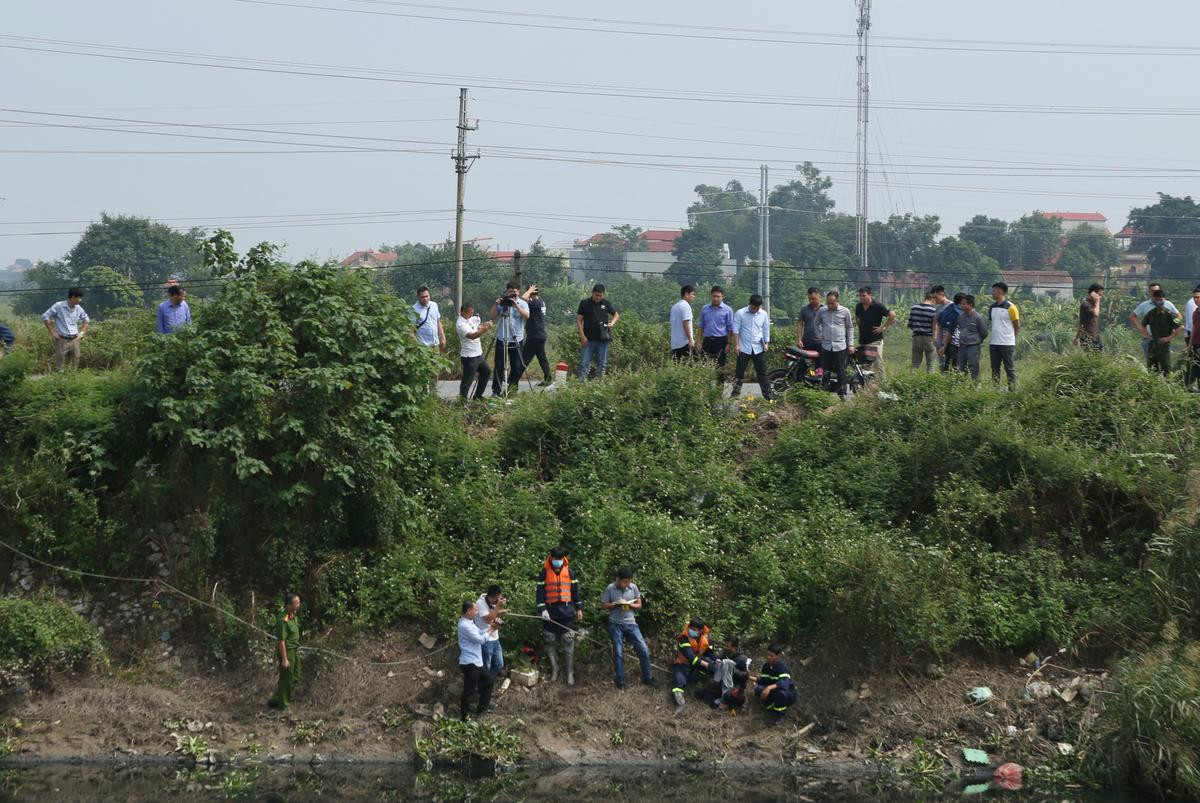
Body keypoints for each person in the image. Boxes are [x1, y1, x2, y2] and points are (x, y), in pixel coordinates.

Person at [601, 566, 655, 690]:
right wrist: (615, 604)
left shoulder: (633, 587)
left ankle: (648, 677)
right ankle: (620, 681)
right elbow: (604, 605)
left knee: (643, 649)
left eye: (629, 581)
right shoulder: (610, 588)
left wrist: (630, 605)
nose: (627, 584)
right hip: (615, 624)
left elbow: (639, 604)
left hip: (631, 623)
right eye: (625, 581)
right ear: (619, 579)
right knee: (618, 653)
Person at [536, 546, 583, 685]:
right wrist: (542, 609)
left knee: (568, 642)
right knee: (550, 642)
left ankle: (569, 672)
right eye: (556, 558)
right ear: (551, 557)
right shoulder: (544, 573)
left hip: (566, 614)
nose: (558, 561)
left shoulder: (570, 572)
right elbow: (539, 593)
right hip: (549, 614)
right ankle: (555, 670)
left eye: (560, 559)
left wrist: (579, 608)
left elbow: (575, 592)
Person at [458, 599, 498, 720]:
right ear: (469, 611)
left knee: (489, 681)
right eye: (475, 610)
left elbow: (480, 632)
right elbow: (480, 639)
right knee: (469, 690)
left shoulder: (470, 623)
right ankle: (464, 717)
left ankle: (482, 709)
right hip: (470, 663)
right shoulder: (464, 625)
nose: (477, 612)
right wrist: (491, 630)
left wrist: (491, 627)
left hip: (476, 662)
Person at [489, 282, 531, 396]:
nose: (512, 293)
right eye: (510, 291)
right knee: (499, 366)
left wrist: (516, 305)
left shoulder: (522, 303)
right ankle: (496, 391)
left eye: (515, 291)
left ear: (518, 291)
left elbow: (527, 316)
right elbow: (492, 316)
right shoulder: (503, 302)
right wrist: (496, 304)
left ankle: (511, 389)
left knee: (517, 366)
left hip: (517, 338)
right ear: (506, 292)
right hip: (502, 337)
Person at [730, 294, 772, 399]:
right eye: (754, 307)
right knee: (739, 372)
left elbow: (766, 329)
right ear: (749, 304)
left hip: (759, 348)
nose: (755, 310)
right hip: (743, 348)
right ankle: (735, 394)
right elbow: (736, 330)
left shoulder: (763, 314)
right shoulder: (740, 313)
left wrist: (766, 343)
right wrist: (736, 345)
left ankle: (768, 396)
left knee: (762, 373)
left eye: (757, 308)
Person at [815, 291, 855, 398]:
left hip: (840, 346)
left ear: (837, 301)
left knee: (840, 370)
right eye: (828, 303)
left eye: (832, 303)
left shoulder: (845, 311)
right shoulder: (822, 311)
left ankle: (842, 394)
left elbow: (850, 328)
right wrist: (819, 334)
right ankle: (823, 394)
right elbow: (816, 323)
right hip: (826, 345)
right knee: (825, 371)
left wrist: (850, 344)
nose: (830, 305)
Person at [576, 284, 619, 380]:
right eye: (596, 295)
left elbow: (616, 315)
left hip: (602, 340)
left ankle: (598, 386)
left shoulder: (606, 303)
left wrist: (612, 323)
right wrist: (582, 336)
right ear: (592, 293)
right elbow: (579, 320)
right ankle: (580, 386)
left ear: (603, 295)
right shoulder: (585, 303)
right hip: (588, 340)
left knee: (602, 365)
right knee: (584, 364)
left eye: (600, 296)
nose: (598, 298)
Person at [42, 287, 90, 371]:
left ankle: (72, 379)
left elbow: (86, 321)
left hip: (75, 339)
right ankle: (59, 380)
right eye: (79, 298)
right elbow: (45, 317)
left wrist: (81, 333)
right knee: (60, 364)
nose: (80, 300)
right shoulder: (59, 306)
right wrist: (53, 333)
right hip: (62, 339)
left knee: (75, 360)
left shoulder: (79, 308)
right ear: (72, 297)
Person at [941, 294, 988, 379]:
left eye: (964, 304)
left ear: (970, 305)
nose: (961, 306)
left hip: (973, 346)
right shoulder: (960, 317)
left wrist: (977, 341)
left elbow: (984, 333)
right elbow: (957, 329)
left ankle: (974, 385)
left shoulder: (978, 317)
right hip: (962, 347)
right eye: (961, 304)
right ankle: (962, 385)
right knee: (961, 368)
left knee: (973, 367)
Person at [267, 593, 302, 710]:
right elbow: (281, 641)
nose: (299, 605)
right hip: (288, 652)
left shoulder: (293, 615)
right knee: (286, 678)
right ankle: (283, 705)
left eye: (299, 602)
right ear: (289, 605)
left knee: (295, 676)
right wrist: (285, 659)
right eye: (296, 603)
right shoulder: (283, 620)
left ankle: (276, 698)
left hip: (295, 649)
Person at [671, 617, 714, 709]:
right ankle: (679, 701)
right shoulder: (684, 638)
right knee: (679, 678)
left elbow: (710, 655)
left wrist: (712, 665)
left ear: (701, 631)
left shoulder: (707, 640)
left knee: (710, 664)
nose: (691, 631)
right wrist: (707, 665)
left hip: (697, 666)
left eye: (694, 630)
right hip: (683, 664)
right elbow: (691, 658)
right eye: (691, 629)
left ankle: (702, 683)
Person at [854, 286, 895, 380]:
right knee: (865, 365)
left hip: (875, 340)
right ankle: (867, 386)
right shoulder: (859, 306)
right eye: (860, 296)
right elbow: (857, 316)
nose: (861, 298)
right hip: (863, 340)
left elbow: (892, 315)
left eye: (864, 296)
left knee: (878, 363)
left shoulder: (877, 306)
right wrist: (859, 324)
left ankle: (883, 385)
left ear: (870, 295)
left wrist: (883, 327)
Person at [1141, 289, 1184, 375]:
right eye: (1157, 299)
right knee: (1152, 370)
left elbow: (1181, 327)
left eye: (1161, 299)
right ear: (1153, 300)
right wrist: (1147, 335)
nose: (1159, 302)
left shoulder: (1169, 314)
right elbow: (1143, 324)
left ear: (1165, 299)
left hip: (1164, 346)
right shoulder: (1151, 313)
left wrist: (1169, 338)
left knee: (1166, 370)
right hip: (1152, 344)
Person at [697, 285, 734, 384]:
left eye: (718, 296)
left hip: (721, 341)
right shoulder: (705, 309)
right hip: (708, 340)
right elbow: (701, 326)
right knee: (705, 366)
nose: (716, 298)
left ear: (722, 297)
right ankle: (705, 390)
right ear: (711, 296)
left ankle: (718, 391)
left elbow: (730, 328)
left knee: (720, 368)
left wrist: (728, 343)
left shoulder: (728, 310)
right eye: (714, 296)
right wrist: (699, 342)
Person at [1130, 282, 1178, 358]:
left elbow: (1178, 316)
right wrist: (1141, 330)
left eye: (1156, 290)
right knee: (1151, 365)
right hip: (1149, 339)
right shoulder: (1144, 305)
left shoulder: (1167, 304)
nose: (1154, 292)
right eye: (1152, 291)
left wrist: (1173, 329)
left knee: (1164, 364)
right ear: (1149, 292)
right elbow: (1133, 316)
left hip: (1163, 339)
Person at [456, 304, 493, 400]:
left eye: (472, 312)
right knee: (468, 380)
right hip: (469, 356)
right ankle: (462, 400)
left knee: (486, 371)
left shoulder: (470, 319)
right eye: (470, 312)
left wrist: (483, 326)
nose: (472, 314)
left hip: (477, 354)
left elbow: (477, 327)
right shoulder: (461, 324)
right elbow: (473, 336)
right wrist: (485, 329)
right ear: (463, 312)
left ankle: (478, 396)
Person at [754, 643, 797, 725]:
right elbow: (764, 681)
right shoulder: (766, 666)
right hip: (774, 691)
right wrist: (749, 677)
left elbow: (784, 683)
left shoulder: (782, 667)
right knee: (759, 689)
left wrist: (768, 688)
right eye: (768, 655)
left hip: (787, 693)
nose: (768, 657)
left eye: (771, 656)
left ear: (778, 656)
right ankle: (771, 710)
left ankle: (780, 715)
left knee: (780, 694)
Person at [988, 282, 1020, 389]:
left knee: (1009, 368)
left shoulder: (1011, 307)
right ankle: (995, 389)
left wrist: (1011, 337)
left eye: (994, 291)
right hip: (994, 342)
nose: (992, 293)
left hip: (1007, 343)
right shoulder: (992, 307)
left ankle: (1012, 390)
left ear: (1001, 291)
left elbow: (1016, 325)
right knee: (995, 368)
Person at [708, 635, 752, 711]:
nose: (725, 647)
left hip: (736, 684)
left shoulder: (742, 658)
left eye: (727, 646)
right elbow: (715, 662)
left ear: (734, 648)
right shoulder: (724, 654)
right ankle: (723, 699)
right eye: (725, 645)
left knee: (729, 695)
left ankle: (743, 700)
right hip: (723, 681)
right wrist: (716, 665)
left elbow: (745, 676)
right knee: (708, 690)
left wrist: (732, 670)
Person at [474, 585, 508, 680]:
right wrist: (498, 607)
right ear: (495, 595)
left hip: (495, 637)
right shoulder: (480, 603)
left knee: (499, 664)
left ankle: (489, 682)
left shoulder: (492, 602)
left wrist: (501, 612)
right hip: (485, 638)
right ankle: (484, 687)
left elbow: (492, 613)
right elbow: (488, 619)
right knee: (486, 666)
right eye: (498, 597)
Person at [521, 284, 552, 386]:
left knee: (524, 358)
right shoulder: (541, 301)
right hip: (540, 334)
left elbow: (523, 298)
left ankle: (513, 378)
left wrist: (529, 290)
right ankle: (548, 378)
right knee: (542, 357)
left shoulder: (535, 302)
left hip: (535, 335)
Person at [908, 292, 938, 372]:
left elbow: (910, 324)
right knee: (930, 364)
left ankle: (912, 381)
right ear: (932, 299)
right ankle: (930, 383)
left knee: (915, 363)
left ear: (925, 298)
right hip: (929, 338)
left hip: (916, 337)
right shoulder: (933, 310)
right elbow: (934, 327)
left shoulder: (914, 308)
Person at [936, 292, 965, 372]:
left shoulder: (949, 309)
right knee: (956, 367)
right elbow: (951, 332)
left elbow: (940, 324)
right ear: (960, 302)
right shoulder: (957, 313)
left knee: (948, 365)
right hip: (955, 344)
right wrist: (944, 346)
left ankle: (946, 381)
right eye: (964, 302)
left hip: (947, 343)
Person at [412, 286, 445, 352]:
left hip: (435, 344)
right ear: (418, 297)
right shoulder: (414, 309)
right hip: (423, 346)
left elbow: (438, 322)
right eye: (423, 297)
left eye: (427, 296)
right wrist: (417, 345)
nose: (425, 299)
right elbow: (411, 329)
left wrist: (443, 337)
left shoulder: (434, 305)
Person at [1073, 283, 1104, 352]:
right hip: (1087, 337)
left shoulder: (1093, 305)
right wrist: (1098, 301)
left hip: (1095, 337)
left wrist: (1076, 337)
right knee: (1090, 359)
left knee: (1099, 359)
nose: (1100, 297)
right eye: (1099, 295)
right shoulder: (1086, 304)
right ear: (1093, 293)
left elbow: (1083, 323)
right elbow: (1096, 314)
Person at [669, 285, 697, 361]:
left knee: (679, 367)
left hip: (675, 344)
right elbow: (685, 323)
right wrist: (690, 340)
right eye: (693, 294)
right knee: (693, 366)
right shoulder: (686, 306)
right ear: (686, 294)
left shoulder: (674, 307)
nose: (694, 297)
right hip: (684, 343)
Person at [796, 287, 823, 353]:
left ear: (819, 297)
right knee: (804, 362)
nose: (811, 301)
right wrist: (799, 339)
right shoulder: (804, 309)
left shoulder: (825, 310)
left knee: (821, 363)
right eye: (809, 299)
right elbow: (800, 324)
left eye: (813, 299)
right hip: (806, 342)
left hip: (821, 343)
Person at [1188, 287, 1200, 390]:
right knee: (1196, 366)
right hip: (1196, 345)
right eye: (1194, 298)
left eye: (1198, 297)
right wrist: (1190, 344)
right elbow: (1194, 329)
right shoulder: (1195, 313)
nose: (1196, 300)